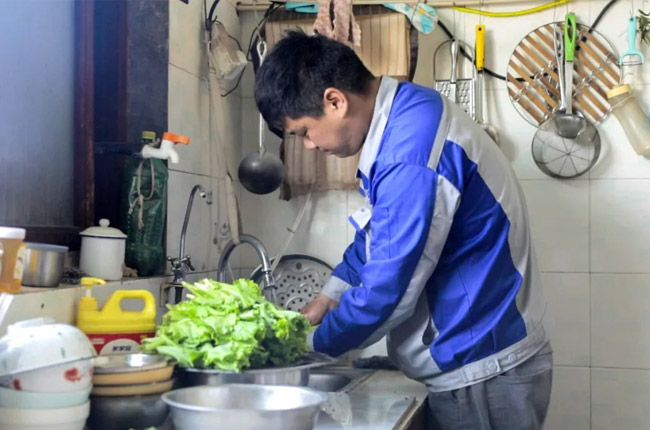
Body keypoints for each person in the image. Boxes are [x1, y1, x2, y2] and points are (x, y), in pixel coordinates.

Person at [254, 31, 552, 430]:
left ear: (335, 101)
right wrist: (328, 297)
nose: (308, 146)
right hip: (481, 356)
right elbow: (378, 234)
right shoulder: (407, 114)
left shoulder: (406, 155)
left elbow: (386, 292)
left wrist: (307, 348)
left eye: (304, 131)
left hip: (482, 369)